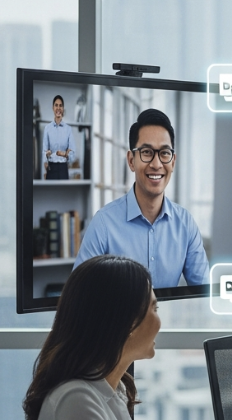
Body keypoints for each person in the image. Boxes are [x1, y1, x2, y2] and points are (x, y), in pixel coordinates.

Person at [73, 109, 209, 288]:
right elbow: (77, 297)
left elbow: (205, 293)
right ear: (131, 160)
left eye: (164, 153)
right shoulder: (104, 224)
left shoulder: (185, 224)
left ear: (173, 162)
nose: (156, 164)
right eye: (146, 152)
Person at [23, 255, 160, 420]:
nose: (159, 322)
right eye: (154, 308)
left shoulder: (113, 389)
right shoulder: (76, 400)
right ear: (128, 321)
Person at [43, 95, 75, 180]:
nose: (58, 108)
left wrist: (65, 155)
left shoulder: (68, 129)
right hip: (51, 168)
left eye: (60, 105)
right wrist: (46, 156)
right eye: (56, 105)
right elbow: (44, 151)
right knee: (50, 193)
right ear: (53, 108)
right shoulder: (47, 128)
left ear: (63, 108)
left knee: (64, 193)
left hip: (63, 169)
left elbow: (72, 154)